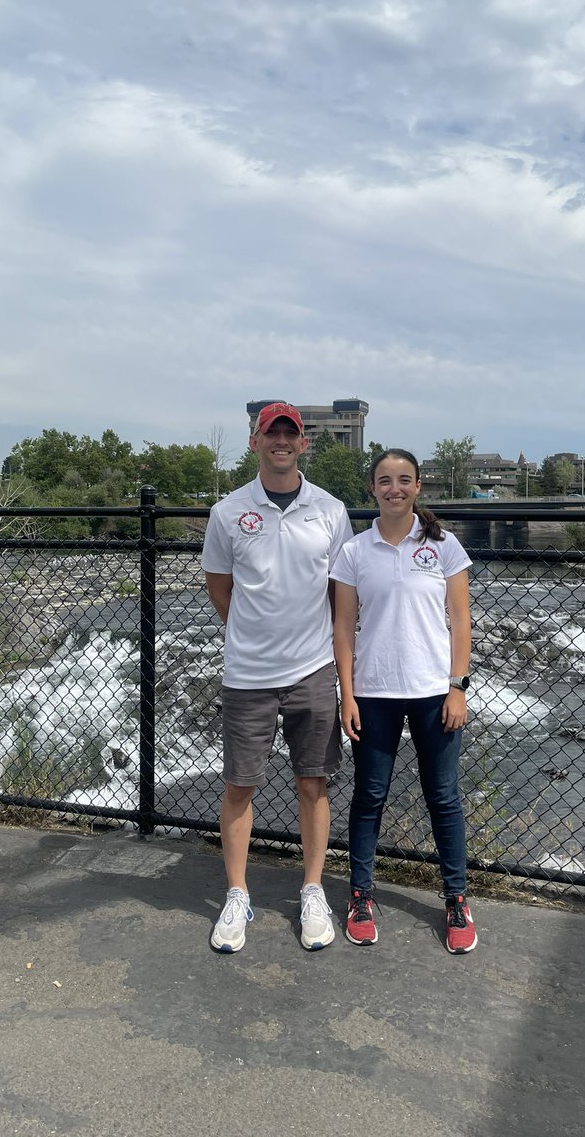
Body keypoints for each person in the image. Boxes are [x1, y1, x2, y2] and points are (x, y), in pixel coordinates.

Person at [202, 402, 354, 953]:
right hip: (248, 674)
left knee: (313, 783)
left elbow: (342, 594)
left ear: (303, 445)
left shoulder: (332, 511)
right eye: (273, 434)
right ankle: (237, 894)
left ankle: (312, 888)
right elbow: (221, 587)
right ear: (255, 442)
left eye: (290, 434)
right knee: (240, 784)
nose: (282, 442)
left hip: (312, 670)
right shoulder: (227, 512)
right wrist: (253, 631)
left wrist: (339, 668)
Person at [332, 448, 477, 954]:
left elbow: (461, 620)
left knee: (444, 798)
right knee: (369, 797)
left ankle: (456, 899)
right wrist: (346, 694)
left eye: (404, 480)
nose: (394, 488)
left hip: (435, 693)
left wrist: (458, 685)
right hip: (374, 693)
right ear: (372, 488)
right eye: (385, 480)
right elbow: (343, 627)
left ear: (418, 487)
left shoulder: (444, 547)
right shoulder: (354, 551)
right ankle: (359, 895)